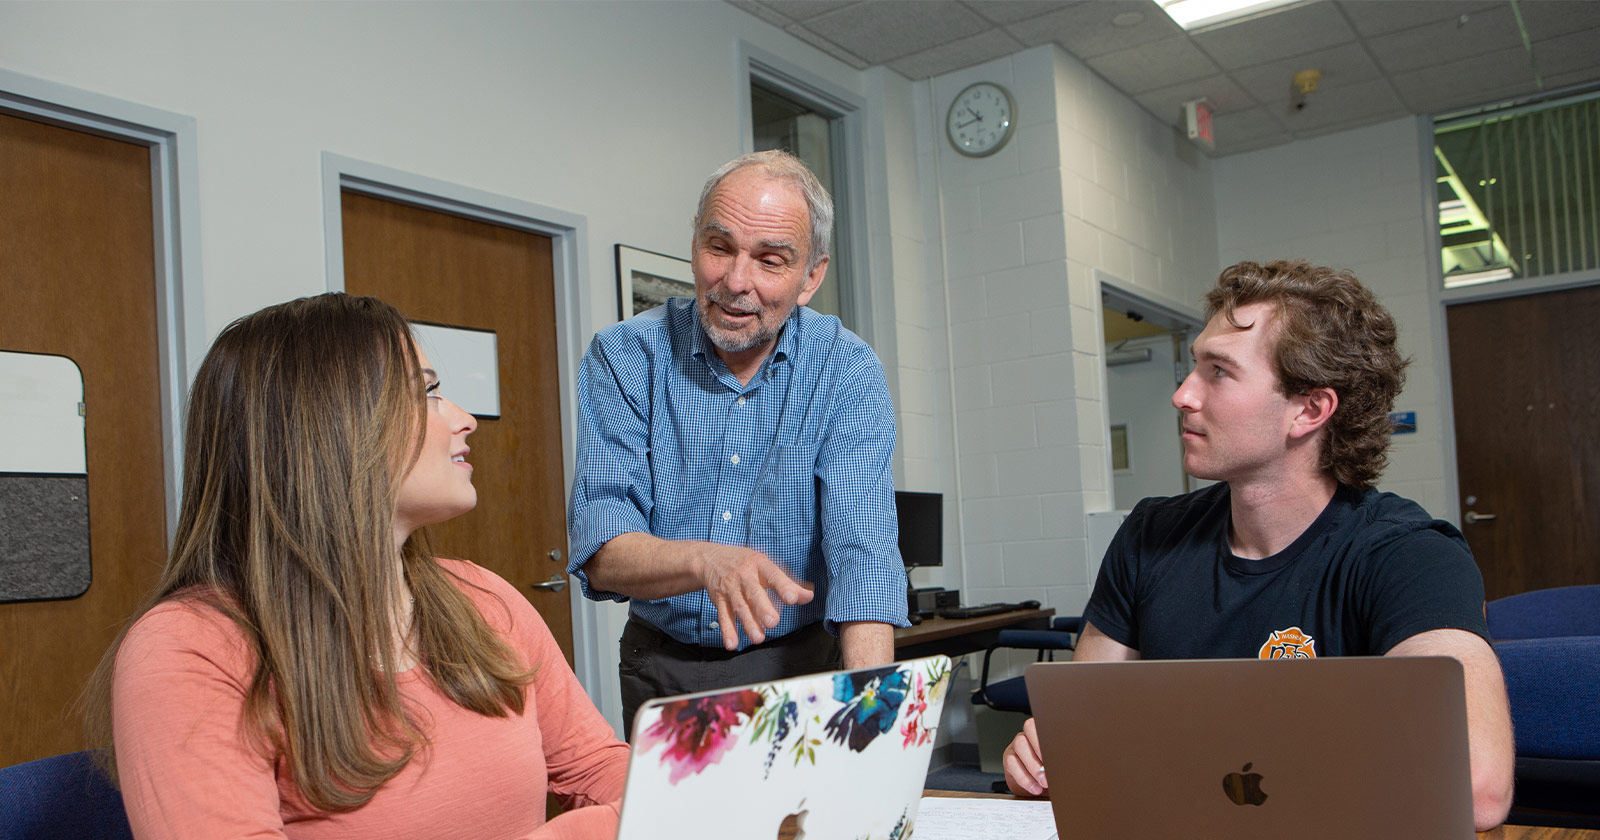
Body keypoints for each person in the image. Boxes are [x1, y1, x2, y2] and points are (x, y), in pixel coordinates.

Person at [82, 293, 628, 839]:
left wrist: (682, 795)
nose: (465, 420)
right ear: (329, 426)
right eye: (429, 393)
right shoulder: (189, 648)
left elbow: (596, 767)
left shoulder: (483, 598)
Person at [1001, 260, 1515, 831]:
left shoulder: (1410, 555)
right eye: (1194, 365)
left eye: (1218, 372)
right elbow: (1080, 732)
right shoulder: (1150, 536)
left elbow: (1476, 786)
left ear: (1309, 409)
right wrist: (1043, 754)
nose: (1181, 395)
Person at [567, 150, 907, 736]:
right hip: (667, 668)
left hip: (803, 664)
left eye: (771, 261)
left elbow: (864, 558)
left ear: (811, 278)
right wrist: (706, 561)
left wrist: (874, 720)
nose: (735, 282)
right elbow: (602, 549)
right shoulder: (622, 357)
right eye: (719, 248)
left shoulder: (847, 370)